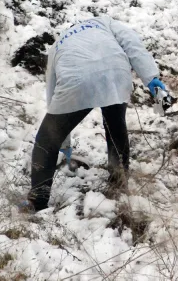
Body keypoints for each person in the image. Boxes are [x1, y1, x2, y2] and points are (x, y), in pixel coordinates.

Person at [25, 17, 166, 212]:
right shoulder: (105, 23)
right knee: (115, 124)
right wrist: (151, 78)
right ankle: (118, 183)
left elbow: (52, 89)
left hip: (76, 78)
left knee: (46, 141)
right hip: (115, 72)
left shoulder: (58, 43)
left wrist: (62, 140)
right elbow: (132, 44)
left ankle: (36, 202)